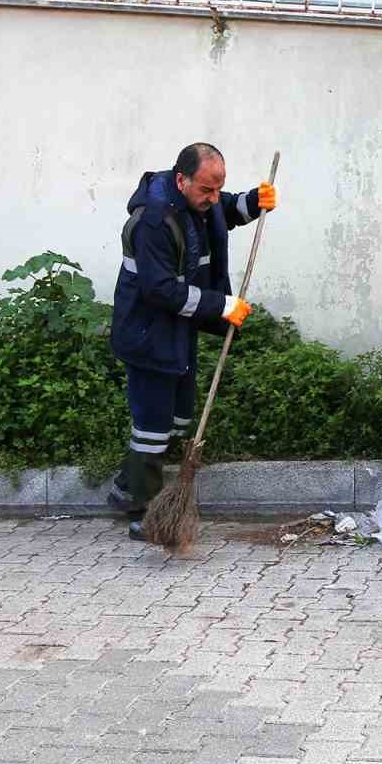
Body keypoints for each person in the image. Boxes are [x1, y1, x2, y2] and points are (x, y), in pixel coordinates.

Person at [107, 142, 276, 540]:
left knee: (178, 417)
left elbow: (224, 211)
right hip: (147, 331)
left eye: (218, 188)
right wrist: (221, 305)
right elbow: (160, 290)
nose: (214, 198)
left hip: (178, 328)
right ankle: (146, 512)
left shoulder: (198, 199)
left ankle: (126, 488)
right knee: (153, 426)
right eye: (206, 189)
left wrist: (253, 202)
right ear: (181, 180)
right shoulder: (153, 223)